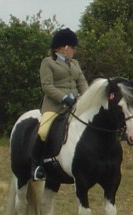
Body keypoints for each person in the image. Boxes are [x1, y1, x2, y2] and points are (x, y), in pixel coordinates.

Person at [31, 28, 88, 180]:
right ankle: (36, 165)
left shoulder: (74, 63)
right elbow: (47, 86)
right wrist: (64, 98)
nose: (74, 51)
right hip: (55, 107)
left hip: (76, 105)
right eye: (73, 47)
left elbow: (82, 83)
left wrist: (87, 98)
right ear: (63, 47)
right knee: (43, 131)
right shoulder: (48, 62)